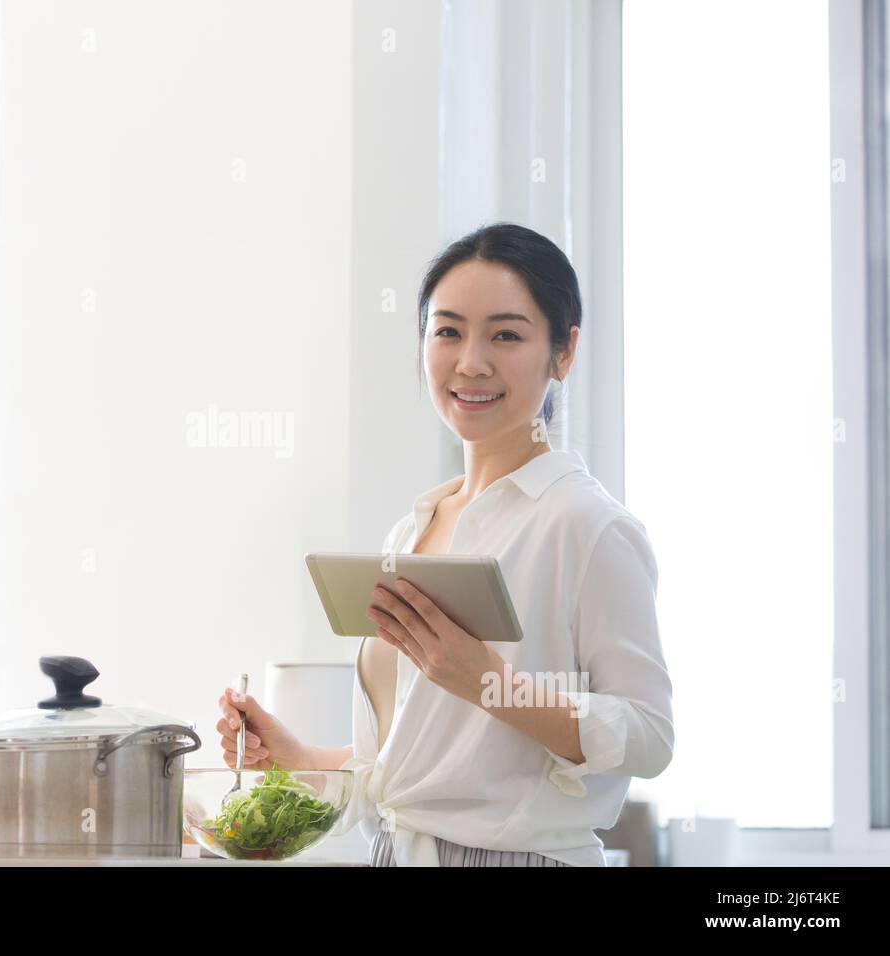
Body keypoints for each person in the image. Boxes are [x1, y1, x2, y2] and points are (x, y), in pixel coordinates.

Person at [215, 222, 674, 867]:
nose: (471, 362)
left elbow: (650, 737)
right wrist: (290, 752)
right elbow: (405, 778)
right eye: (448, 331)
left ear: (563, 353)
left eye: (506, 335)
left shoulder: (587, 525)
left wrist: (490, 684)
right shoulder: (413, 530)